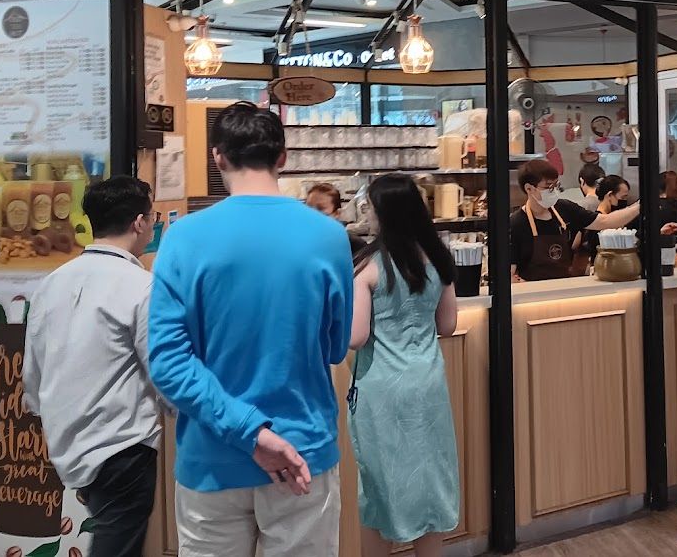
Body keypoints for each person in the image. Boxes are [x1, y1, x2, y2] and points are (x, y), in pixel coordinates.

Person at [149, 101, 353, 556]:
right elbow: (336, 346)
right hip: (303, 449)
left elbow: (167, 362)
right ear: (282, 158)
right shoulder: (330, 236)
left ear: (218, 156)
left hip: (212, 453)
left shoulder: (183, 236)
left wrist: (249, 433)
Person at [23, 176, 161, 557]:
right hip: (123, 443)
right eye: (153, 216)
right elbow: (162, 370)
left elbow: (32, 372)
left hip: (68, 441)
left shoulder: (52, 283)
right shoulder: (140, 286)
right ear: (139, 222)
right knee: (118, 544)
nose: (153, 223)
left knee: (114, 535)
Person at [350, 173, 460, 556]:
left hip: (381, 386)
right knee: (430, 482)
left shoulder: (367, 266)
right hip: (428, 384)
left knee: (378, 487)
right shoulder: (438, 259)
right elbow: (448, 325)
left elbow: (355, 336)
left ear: (381, 213)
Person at [510, 159, 640, 282]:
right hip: (534, 296)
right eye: (549, 186)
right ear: (529, 188)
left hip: (566, 287)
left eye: (556, 185)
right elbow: (509, 273)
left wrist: (639, 206)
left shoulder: (565, 208)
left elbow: (605, 221)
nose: (553, 191)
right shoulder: (516, 223)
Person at [305, 182, 367, 256]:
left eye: (320, 209)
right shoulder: (299, 244)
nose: (312, 214)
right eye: (308, 208)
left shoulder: (354, 245)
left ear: (337, 213)